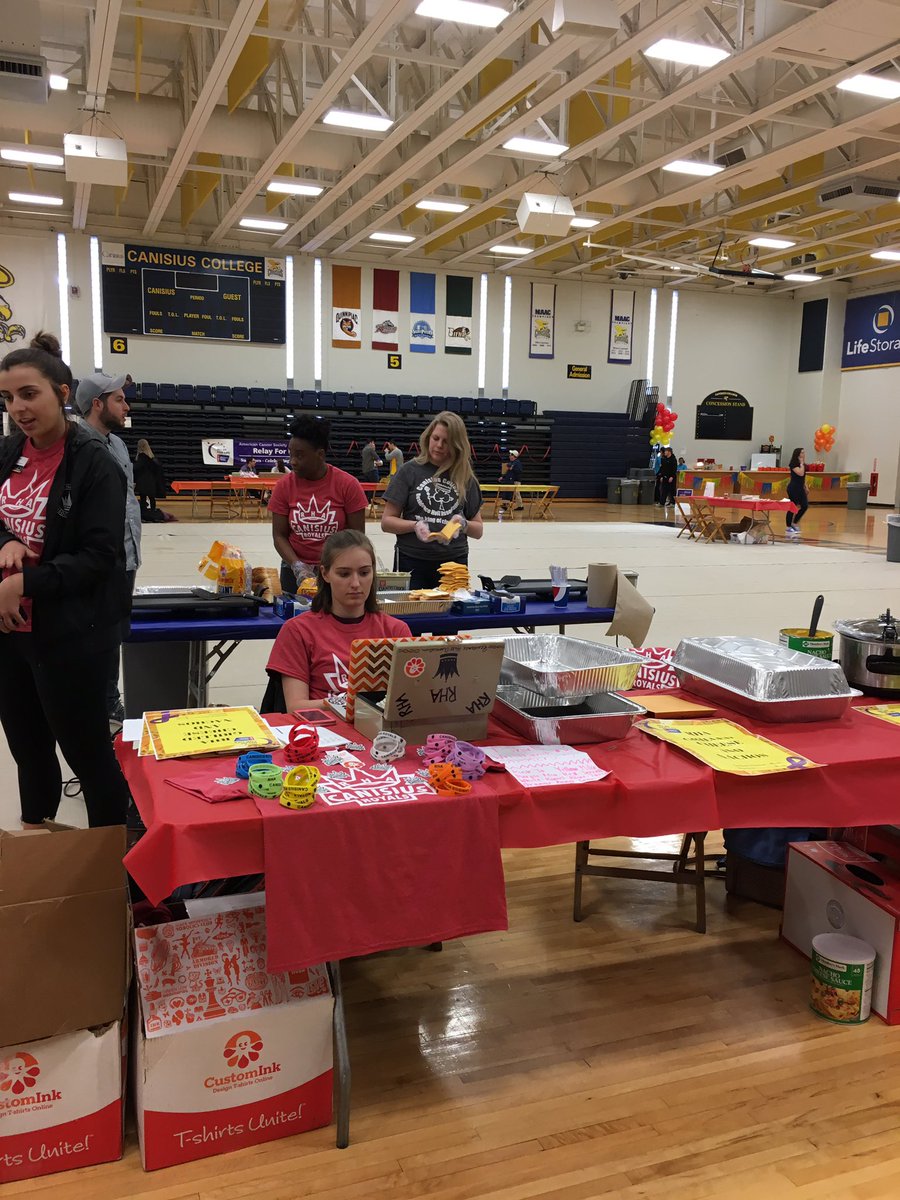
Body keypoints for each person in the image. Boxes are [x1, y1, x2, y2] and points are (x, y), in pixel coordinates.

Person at [0, 332, 132, 828]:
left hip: (72, 635)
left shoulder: (95, 462)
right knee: (29, 753)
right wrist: (5, 543)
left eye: (28, 394)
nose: (18, 408)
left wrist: (25, 583)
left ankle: (108, 870)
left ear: (61, 392)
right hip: (11, 633)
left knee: (89, 756)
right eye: (8, 398)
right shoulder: (9, 452)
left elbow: (100, 556)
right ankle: (41, 852)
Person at [266, 530, 411, 707]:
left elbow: (409, 701)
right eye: (344, 574)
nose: (356, 583)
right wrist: (349, 703)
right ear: (325, 574)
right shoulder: (298, 631)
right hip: (320, 731)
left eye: (364, 573)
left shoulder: (396, 631)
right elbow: (296, 706)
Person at [74, 371, 143, 726]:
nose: (126, 405)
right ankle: (89, 702)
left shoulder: (116, 444)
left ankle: (108, 699)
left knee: (114, 632)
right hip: (94, 561)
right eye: (119, 399)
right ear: (97, 404)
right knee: (90, 635)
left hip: (125, 558)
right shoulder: (75, 445)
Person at [381, 410, 484, 589]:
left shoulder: (465, 477)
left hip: (454, 564)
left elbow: (478, 530)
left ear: (457, 445)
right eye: (435, 438)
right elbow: (387, 522)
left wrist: (463, 524)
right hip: (411, 560)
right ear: (428, 437)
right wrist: (414, 525)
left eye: (446, 442)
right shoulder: (408, 471)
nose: (439, 445)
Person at [269, 415, 368, 595]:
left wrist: (336, 567)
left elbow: (357, 537)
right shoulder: (283, 486)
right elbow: (279, 535)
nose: (293, 461)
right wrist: (297, 565)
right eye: (291, 454)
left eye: (300, 455)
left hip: (337, 570)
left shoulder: (348, 485)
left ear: (320, 454)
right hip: (294, 570)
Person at [133, 438, 166, 521]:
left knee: (143, 498)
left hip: (143, 481)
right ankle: (153, 513)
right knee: (152, 498)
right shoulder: (152, 458)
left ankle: (144, 515)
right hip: (151, 482)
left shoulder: (142, 457)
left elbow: (137, 468)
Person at [786, 447, 809, 537]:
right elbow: (800, 473)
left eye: (804, 452)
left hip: (800, 487)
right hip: (793, 488)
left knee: (805, 505)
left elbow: (803, 477)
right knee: (792, 506)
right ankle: (788, 526)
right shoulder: (793, 464)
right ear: (798, 454)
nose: (803, 454)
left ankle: (795, 522)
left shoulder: (803, 465)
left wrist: (806, 486)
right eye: (802, 452)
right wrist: (802, 464)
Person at [499, 449, 524, 514]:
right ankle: (506, 505)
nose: (509, 456)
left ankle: (520, 506)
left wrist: (512, 468)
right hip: (511, 481)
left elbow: (519, 471)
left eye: (511, 455)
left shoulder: (517, 463)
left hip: (516, 480)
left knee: (517, 493)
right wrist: (503, 477)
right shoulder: (511, 463)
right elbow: (508, 472)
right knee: (509, 493)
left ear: (514, 456)